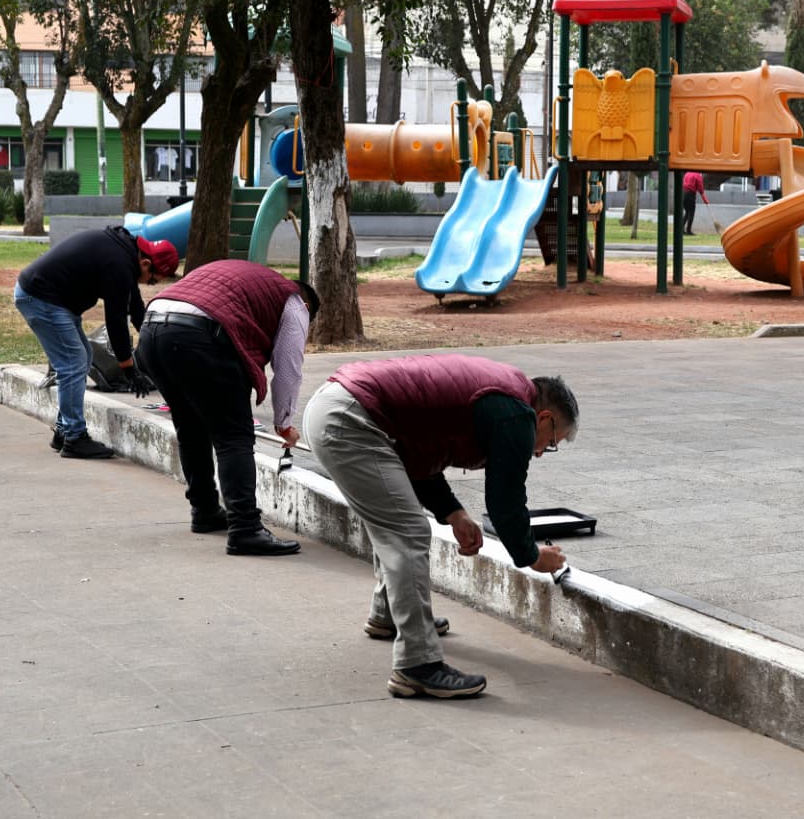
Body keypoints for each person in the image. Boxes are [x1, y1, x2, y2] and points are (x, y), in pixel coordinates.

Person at [303, 353, 579, 700]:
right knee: (408, 532)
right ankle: (417, 666)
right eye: (551, 442)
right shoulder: (515, 412)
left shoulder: (503, 393)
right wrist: (533, 556)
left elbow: (417, 454)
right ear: (545, 417)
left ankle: (388, 615)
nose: (540, 452)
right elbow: (506, 503)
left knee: (396, 521)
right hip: (352, 420)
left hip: (340, 409)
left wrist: (453, 512)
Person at [135, 259, 319, 556]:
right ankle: (245, 529)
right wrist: (284, 421)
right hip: (199, 336)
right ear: (308, 308)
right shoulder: (295, 303)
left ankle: (205, 510)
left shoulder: (250, 279)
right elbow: (288, 369)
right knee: (234, 436)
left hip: (152, 329)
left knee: (191, 428)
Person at [15, 227, 180, 459]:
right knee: (73, 363)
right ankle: (74, 438)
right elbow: (115, 321)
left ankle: (64, 431)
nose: (148, 283)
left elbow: (135, 308)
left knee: (83, 358)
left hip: (52, 298)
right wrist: (129, 368)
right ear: (145, 263)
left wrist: (152, 346)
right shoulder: (121, 265)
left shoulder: (126, 252)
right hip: (42, 298)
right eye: (152, 280)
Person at [681, 171, 707, 235]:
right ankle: (688, 230)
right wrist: (704, 199)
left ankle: (681, 229)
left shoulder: (687, 173)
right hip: (690, 195)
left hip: (683, 194)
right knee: (691, 213)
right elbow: (700, 188)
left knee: (687, 212)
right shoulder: (697, 175)